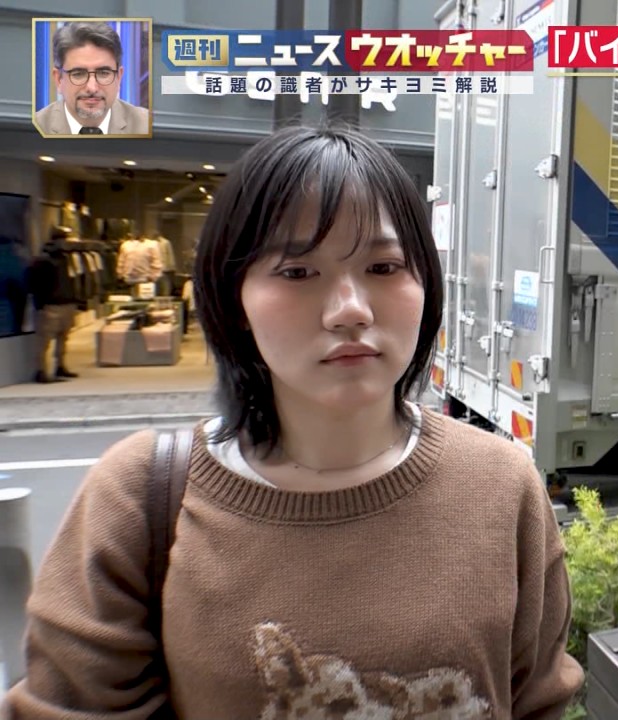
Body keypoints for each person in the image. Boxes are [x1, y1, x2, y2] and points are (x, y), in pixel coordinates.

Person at [4, 125, 583, 718]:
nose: (350, 310)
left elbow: (537, 699)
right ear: (235, 299)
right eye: (298, 272)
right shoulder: (137, 496)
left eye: (384, 266)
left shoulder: (502, 484)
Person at [33, 21, 150, 136]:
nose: (92, 88)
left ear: (119, 77)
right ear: (59, 79)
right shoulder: (35, 127)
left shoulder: (146, 126)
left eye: (103, 73)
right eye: (79, 74)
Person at [25, 228, 81, 383]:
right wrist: (41, 304)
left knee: (63, 338)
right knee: (45, 341)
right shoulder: (42, 261)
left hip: (66, 303)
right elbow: (34, 284)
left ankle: (60, 366)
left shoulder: (67, 259)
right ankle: (41, 370)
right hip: (51, 305)